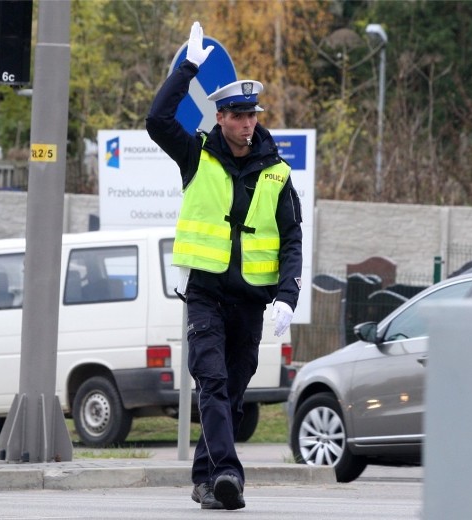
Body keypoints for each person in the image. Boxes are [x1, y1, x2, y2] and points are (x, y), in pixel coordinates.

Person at [146, 21, 302, 511]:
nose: (246, 123)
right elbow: (157, 120)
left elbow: (291, 237)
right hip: (206, 295)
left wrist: (288, 294)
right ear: (220, 117)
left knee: (232, 393)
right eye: (237, 115)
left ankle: (204, 477)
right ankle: (229, 474)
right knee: (210, 382)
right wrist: (188, 66)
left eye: (252, 115)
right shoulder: (196, 154)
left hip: (251, 301)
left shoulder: (277, 171)